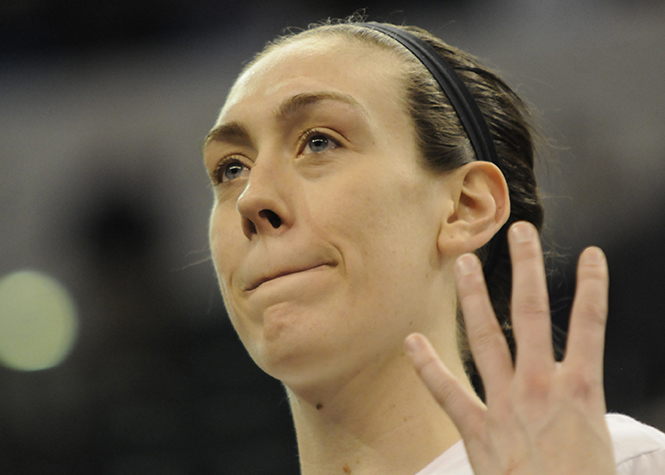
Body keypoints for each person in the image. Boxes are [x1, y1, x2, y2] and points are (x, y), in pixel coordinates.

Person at [202, 17, 665, 475]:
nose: (252, 197)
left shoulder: (616, 463)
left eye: (319, 142)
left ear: (466, 206)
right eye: (231, 169)